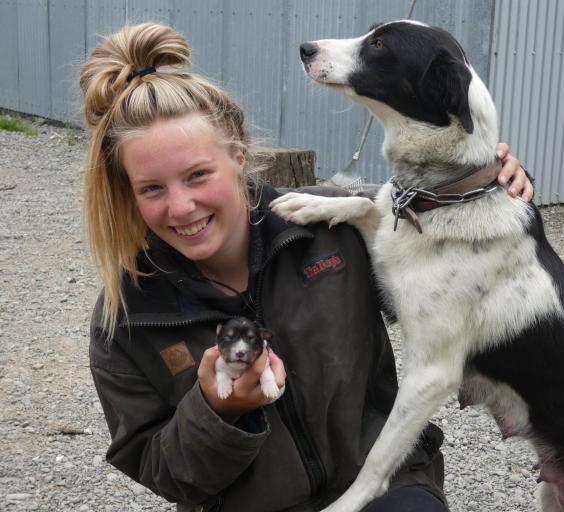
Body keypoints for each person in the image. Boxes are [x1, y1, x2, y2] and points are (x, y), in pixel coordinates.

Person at [82, 22, 533, 512]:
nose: (182, 206)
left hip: (385, 489)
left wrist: (479, 184)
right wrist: (218, 412)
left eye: (198, 175)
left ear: (237, 158)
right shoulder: (127, 318)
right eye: (152, 188)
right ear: (128, 191)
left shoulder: (335, 224)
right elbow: (164, 473)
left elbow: (470, 291)